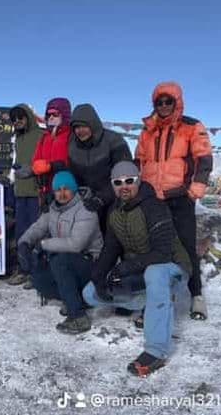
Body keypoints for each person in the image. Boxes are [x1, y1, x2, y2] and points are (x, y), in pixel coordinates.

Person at [82, 161, 192, 377]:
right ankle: (151, 304)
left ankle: (156, 351)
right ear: (113, 185)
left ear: (138, 180)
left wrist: (125, 267)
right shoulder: (114, 211)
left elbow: (163, 253)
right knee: (90, 293)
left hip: (172, 269)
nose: (124, 186)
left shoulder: (154, 206)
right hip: (141, 271)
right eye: (118, 182)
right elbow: (110, 248)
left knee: (155, 273)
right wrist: (98, 276)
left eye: (129, 181)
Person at [135, 82, 212, 320]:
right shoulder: (147, 131)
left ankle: (196, 295)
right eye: (159, 102)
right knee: (156, 249)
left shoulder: (191, 126)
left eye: (168, 101)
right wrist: (137, 188)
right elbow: (139, 161)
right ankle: (160, 296)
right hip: (153, 199)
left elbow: (204, 159)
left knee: (187, 247)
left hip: (180, 197)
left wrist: (195, 188)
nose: (164, 105)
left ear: (177, 102)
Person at [17, 171, 103, 334]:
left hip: (91, 265)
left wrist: (43, 245)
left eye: (66, 189)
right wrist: (24, 243)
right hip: (67, 263)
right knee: (38, 276)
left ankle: (78, 316)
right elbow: (38, 228)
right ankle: (75, 298)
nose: (62, 194)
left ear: (74, 189)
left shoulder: (86, 209)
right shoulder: (53, 209)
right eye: (58, 190)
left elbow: (76, 244)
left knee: (60, 261)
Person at [68, 103, 132, 231]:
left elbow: (124, 175)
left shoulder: (114, 140)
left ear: (93, 124)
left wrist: (103, 197)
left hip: (115, 199)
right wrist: (78, 192)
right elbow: (74, 176)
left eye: (84, 126)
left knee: (111, 233)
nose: (80, 131)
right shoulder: (73, 146)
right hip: (89, 202)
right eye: (76, 127)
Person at [8, 104, 43, 286]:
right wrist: (8, 177)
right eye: (14, 119)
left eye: (20, 117)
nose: (17, 121)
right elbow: (15, 164)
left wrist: (33, 170)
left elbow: (46, 160)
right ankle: (24, 269)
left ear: (28, 117)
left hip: (36, 192)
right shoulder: (18, 139)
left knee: (36, 234)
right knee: (21, 233)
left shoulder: (40, 135)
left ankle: (37, 273)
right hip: (20, 192)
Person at [31, 98, 71, 212]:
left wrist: (54, 166)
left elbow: (76, 160)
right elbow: (36, 159)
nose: (51, 117)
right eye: (48, 115)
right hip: (47, 190)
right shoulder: (45, 137)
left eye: (55, 114)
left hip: (67, 190)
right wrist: (35, 168)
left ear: (64, 115)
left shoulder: (71, 135)